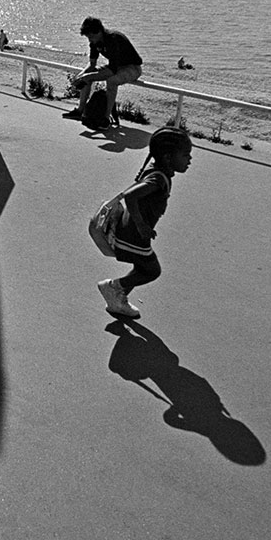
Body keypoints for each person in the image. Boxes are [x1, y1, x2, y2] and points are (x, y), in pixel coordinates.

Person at [96, 125, 193, 319]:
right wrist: (142, 226)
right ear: (168, 157)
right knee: (152, 271)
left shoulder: (156, 170)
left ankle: (117, 299)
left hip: (130, 230)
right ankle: (113, 287)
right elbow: (131, 196)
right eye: (185, 155)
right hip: (133, 235)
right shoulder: (158, 179)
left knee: (142, 267)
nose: (189, 159)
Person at [62, 16, 143, 128]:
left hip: (133, 67)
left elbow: (112, 71)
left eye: (91, 37)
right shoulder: (94, 42)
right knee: (85, 77)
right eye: (88, 37)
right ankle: (80, 111)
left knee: (112, 81)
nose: (90, 40)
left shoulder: (113, 39)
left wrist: (88, 76)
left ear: (99, 32)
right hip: (117, 66)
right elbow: (92, 64)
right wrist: (81, 76)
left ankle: (105, 119)